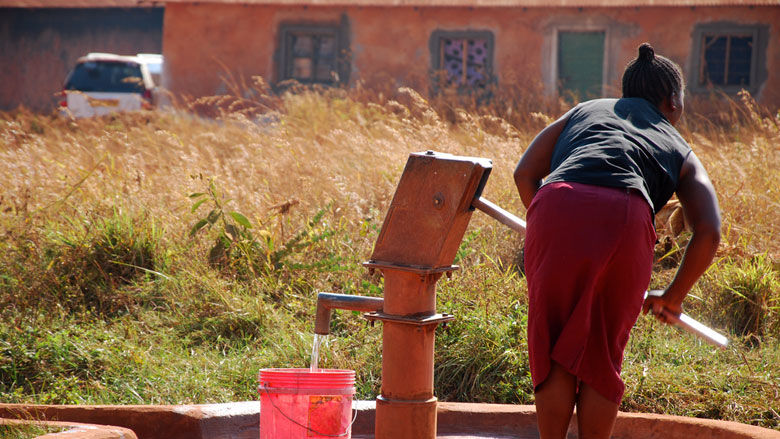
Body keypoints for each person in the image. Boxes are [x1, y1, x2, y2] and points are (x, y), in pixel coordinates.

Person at [513, 43, 721, 439]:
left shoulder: (586, 110)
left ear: (626, 92)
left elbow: (525, 173)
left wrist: (548, 226)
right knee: (602, 355)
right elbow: (709, 231)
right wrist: (673, 297)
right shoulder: (675, 142)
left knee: (551, 344)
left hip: (555, 202)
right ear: (673, 101)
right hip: (625, 215)